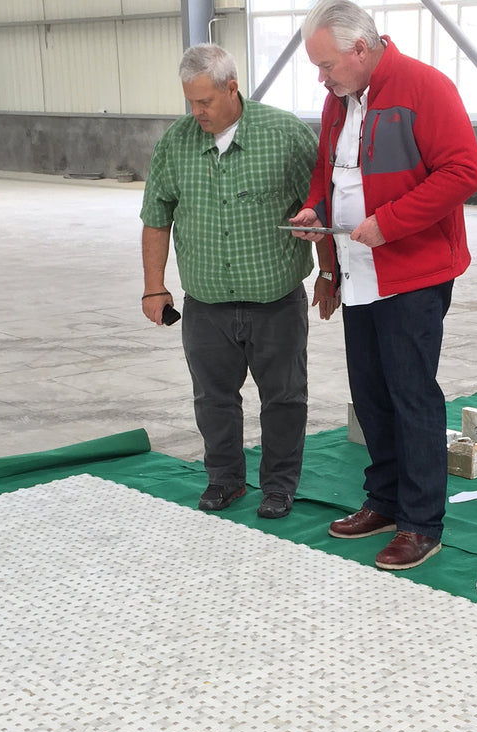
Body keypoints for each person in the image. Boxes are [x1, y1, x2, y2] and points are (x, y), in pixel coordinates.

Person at [289, 0, 477, 570]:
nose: (320, 78)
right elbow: (329, 175)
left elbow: (463, 172)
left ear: (361, 49)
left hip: (411, 274)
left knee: (411, 393)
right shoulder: (337, 103)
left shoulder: (426, 88)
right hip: (356, 271)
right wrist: (313, 213)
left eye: (326, 65)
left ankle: (422, 523)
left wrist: (390, 223)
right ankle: (386, 500)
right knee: (371, 392)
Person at [140, 43, 338, 519]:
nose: (197, 112)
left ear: (232, 88)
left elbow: (320, 209)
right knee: (213, 400)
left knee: (285, 399)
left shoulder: (285, 135)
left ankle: (279, 486)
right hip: (206, 304)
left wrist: (328, 272)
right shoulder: (177, 142)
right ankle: (225, 480)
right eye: (190, 101)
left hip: (276, 302)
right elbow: (155, 216)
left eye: (205, 101)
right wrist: (154, 286)